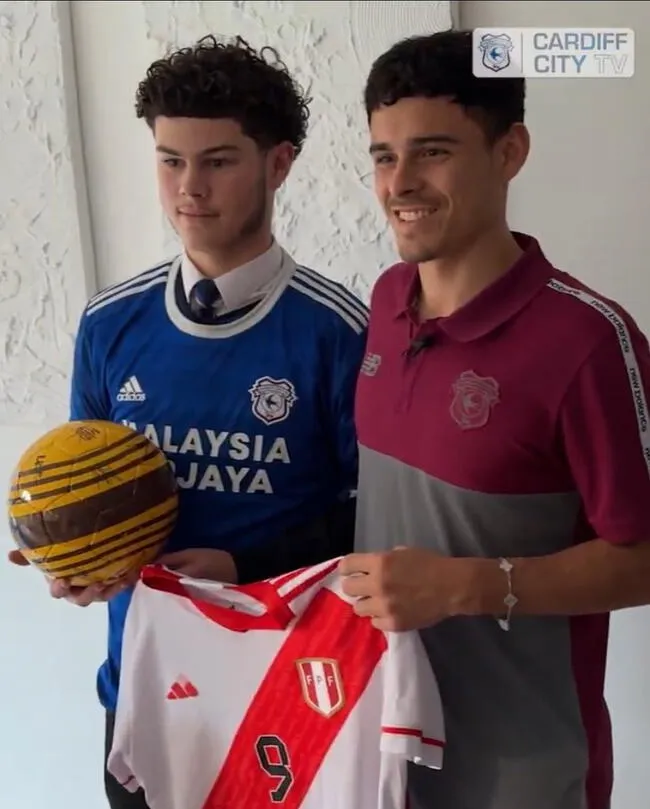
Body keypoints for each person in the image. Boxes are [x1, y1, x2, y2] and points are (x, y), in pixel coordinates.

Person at [9, 34, 367, 809]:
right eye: (170, 160)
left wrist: (247, 564)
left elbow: (375, 522)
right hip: (144, 688)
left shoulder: (339, 332)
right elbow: (87, 487)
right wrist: (69, 555)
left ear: (279, 163)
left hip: (290, 686)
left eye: (218, 160)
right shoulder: (110, 324)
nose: (189, 187)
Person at [341, 29, 650, 809]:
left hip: (525, 777)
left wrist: (469, 586)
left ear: (510, 151)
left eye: (432, 151)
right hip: (378, 755)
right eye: (383, 155)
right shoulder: (383, 302)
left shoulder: (587, 342)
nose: (399, 183)